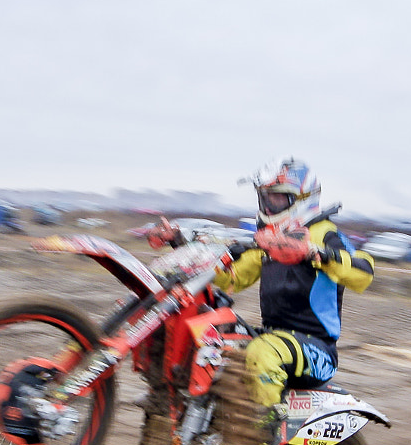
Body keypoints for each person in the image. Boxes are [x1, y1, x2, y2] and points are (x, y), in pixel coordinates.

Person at [142, 158, 375, 423]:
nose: (268, 205)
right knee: (210, 338)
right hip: (273, 336)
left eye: (276, 199)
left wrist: (317, 253)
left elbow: (364, 273)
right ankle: (197, 418)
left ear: (302, 199)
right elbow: (235, 278)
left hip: (317, 348)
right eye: (265, 198)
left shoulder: (324, 233)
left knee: (262, 354)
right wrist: (182, 247)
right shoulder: (272, 238)